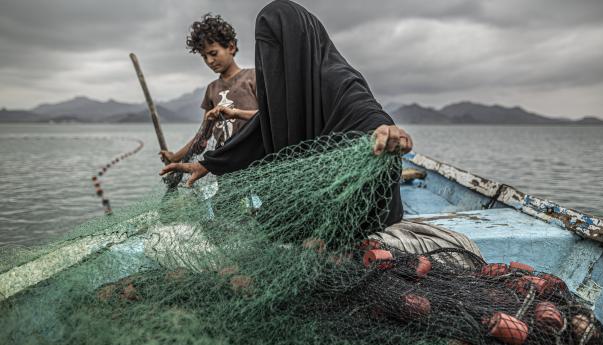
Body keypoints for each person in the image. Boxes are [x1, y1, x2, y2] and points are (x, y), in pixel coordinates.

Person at [160, 0, 413, 226]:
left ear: (299, 42)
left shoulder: (337, 78)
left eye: (279, 48)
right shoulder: (280, 89)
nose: (272, 59)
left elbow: (365, 111)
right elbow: (262, 127)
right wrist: (210, 163)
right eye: (265, 51)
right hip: (310, 198)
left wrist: (385, 129)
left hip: (350, 203)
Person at [160, 13, 258, 164]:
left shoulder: (253, 77)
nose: (210, 61)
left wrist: (236, 113)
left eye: (213, 53)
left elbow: (270, 117)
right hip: (226, 165)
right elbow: (203, 137)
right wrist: (175, 157)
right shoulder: (212, 89)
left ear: (231, 47)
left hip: (256, 160)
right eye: (204, 57)